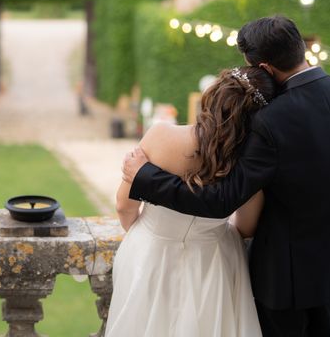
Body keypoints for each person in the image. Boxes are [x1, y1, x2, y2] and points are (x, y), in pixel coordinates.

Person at [122, 15, 330, 337]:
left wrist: (146, 177)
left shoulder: (271, 120)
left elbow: (221, 200)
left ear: (266, 68)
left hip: (289, 278)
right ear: (299, 46)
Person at [107, 66, 275, 336]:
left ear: (211, 96)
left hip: (149, 251)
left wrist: (150, 235)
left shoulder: (161, 135)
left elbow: (124, 205)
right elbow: (246, 226)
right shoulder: (248, 163)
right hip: (214, 259)